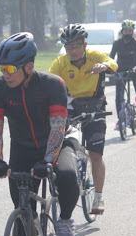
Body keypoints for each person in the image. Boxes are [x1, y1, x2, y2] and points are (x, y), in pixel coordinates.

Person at [0, 32, 79, 236]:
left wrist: (47, 161)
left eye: (10, 69)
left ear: (28, 66)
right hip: (22, 147)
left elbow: (58, 127)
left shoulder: (52, 84)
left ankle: (65, 220)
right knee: (22, 211)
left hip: (58, 143)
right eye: (2, 68)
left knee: (67, 177)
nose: (5, 74)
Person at [49, 24, 118, 215]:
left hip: (95, 109)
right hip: (71, 109)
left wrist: (103, 66)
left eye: (76, 45)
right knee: (59, 149)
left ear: (84, 44)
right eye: (69, 47)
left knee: (95, 155)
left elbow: (113, 63)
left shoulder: (95, 56)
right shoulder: (60, 63)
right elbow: (49, 83)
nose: (73, 50)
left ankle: (98, 196)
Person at [109, 19, 136, 131]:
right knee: (119, 96)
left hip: (132, 68)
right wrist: (109, 67)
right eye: (125, 31)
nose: (127, 33)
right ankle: (120, 118)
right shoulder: (117, 43)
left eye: (130, 31)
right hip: (120, 69)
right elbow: (111, 58)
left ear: (132, 32)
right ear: (122, 31)